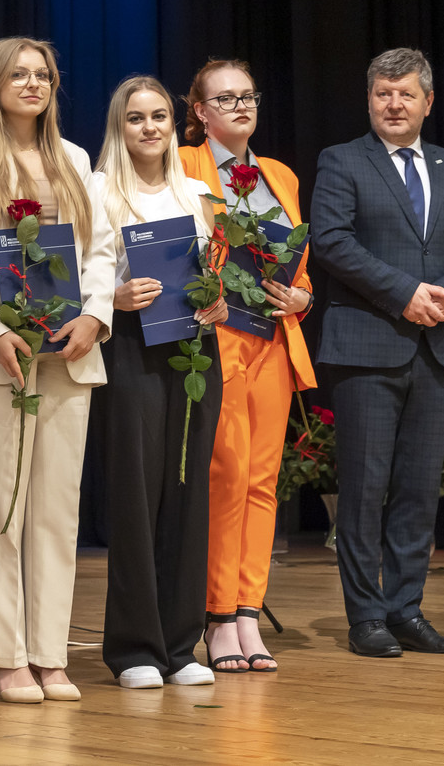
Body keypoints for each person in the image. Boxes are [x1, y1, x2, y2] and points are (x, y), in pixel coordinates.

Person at [0, 37, 113, 703]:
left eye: (43, 75)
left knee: (57, 514)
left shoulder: (75, 158)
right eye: (19, 74)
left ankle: (50, 655)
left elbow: (100, 252)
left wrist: (95, 316)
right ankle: (6, 657)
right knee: (1, 512)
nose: (33, 84)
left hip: (68, 352)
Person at [310, 48, 444, 658]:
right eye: (383, 93)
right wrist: (405, 293)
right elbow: (332, 242)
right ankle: (366, 616)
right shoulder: (342, 160)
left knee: (418, 489)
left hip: (436, 346)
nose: (394, 104)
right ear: (369, 100)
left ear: (427, 102)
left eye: (406, 94)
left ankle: (406, 609)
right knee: (363, 490)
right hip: (366, 347)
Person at [91, 76, 229, 690]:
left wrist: (219, 302)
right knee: (136, 496)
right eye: (135, 118)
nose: (149, 128)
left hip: (196, 351)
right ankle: (134, 649)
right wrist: (112, 298)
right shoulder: (97, 190)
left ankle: (180, 645)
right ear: (118, 128)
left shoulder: (198, 194)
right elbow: (79, 276)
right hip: (130, 349)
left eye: (159, 117)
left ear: (175, 126)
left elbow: (216, 273)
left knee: (188, 494)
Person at [179, 59, 315, 674]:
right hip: (219, 337)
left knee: (263, 479)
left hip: (273, 339)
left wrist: (304, 295)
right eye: (225, 98)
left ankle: (247, 613)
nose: (240, 107)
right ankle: (215, 615)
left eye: (248, 97)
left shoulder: (279, 174)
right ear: (200, 112)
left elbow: (299, 262)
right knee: (226, 476)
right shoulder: (185, 165)